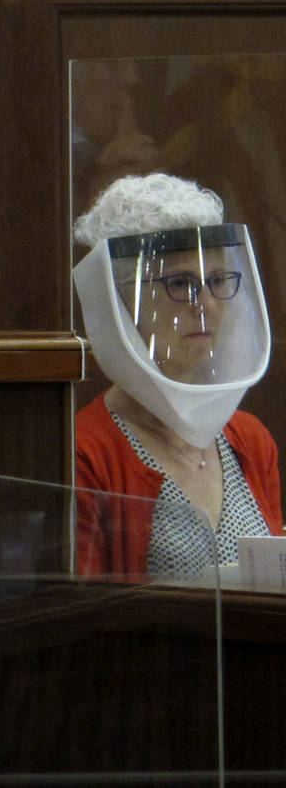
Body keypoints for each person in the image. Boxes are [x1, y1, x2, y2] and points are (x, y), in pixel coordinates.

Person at [72, 173, 281, 577]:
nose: (206, 305)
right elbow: (84, 624)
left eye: (218, 281)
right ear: (121, 301)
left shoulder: (251, 441)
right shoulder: (85, 452)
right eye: (180, 283)